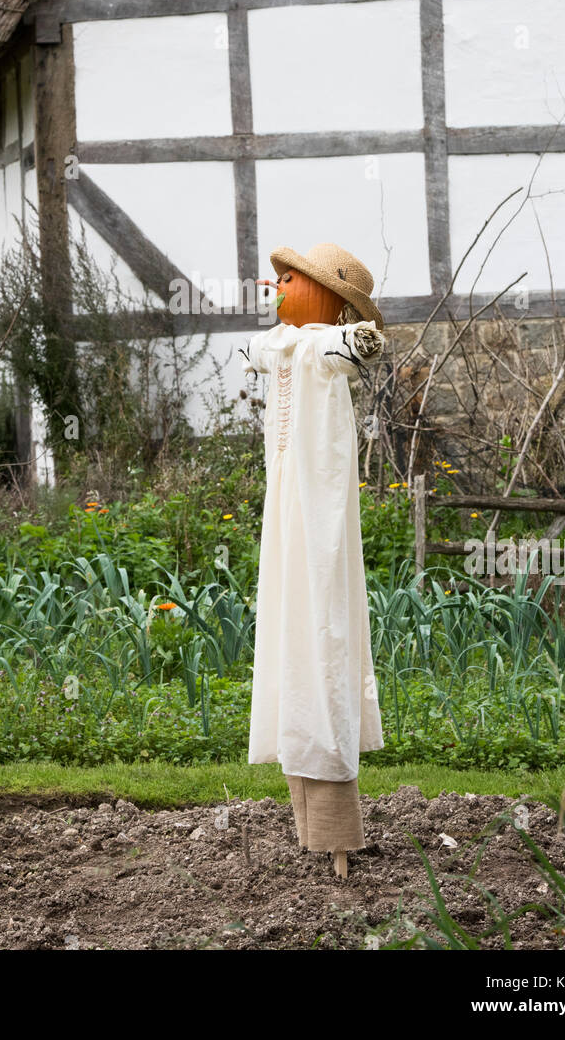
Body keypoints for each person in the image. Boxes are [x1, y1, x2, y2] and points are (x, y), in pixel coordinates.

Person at [240, 242, 386, 878]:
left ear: (324, 293)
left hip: (318, 516)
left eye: (290, 279)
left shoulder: (325, 346)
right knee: (291, 631)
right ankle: (309, 823)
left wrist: (361, 337)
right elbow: (261, 347)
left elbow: (355, 346)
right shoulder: (283, 346)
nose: (279, 287)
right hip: (286, 512)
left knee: (321, 632)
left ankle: (335, 828)